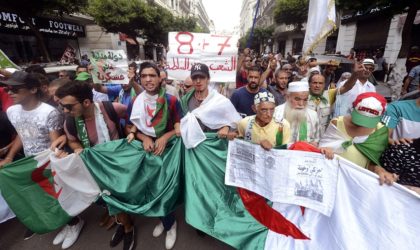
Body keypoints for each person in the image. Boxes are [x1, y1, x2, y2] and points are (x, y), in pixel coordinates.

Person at [0, 72, 86, 249]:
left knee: (58, 196)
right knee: (41, 197)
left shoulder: (49, 112)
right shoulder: (11, 111)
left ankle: (75, 222)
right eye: (8, 88)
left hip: (48, 162)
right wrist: (9, 156)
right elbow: (21, 134)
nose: (10, 92)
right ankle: (64, 223)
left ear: (33, 89)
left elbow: (55, 142)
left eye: (16, 89)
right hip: (28, 163)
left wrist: (56, 159)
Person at [54, 81, 133, 250]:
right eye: (63, 107)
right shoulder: (71, 122)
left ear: (87, 103)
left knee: (120, 196)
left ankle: (128, 228)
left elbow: (131, 118)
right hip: (94, 168)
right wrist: (78, 149)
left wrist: (130, 131)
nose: (66, 111)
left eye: (69, 106)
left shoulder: (112, 109)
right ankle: (124, 225)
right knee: (106, 198)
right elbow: (73, 141)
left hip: (118, 163)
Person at [126, 62, 180, 250]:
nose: (148, 79)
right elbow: (129, 127)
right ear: (140, 79)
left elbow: (179, 127)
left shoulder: (172, 101)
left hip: (167, 151)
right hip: (147, 151)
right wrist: (143, 136)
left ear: (159, 78)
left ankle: (170, 224)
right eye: (144, 76)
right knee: (150, 190)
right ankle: (164, 220)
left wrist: (164, 136)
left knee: (165, 190)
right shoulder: (135, 102)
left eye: (152, 75)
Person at [319, 92, 393, 185]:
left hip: (357, 181)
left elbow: (373, 160)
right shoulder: (337, 122)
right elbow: (322, 149)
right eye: (361, 117)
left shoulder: (380, 131)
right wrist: (324, 150)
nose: (362, 124)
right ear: (353, 109)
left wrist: (379, 170)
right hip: (331, 174)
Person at [180, 63, 241, 149]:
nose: (198, 81)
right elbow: (180, 124)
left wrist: (227, 127)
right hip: (192, 149)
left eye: (202, 77)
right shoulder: (185, 101)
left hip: (214, 148)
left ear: (208, 79)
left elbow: (235, 123)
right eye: (195, 78)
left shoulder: (220, 101)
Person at [273, 81, 320, 145]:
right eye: (297, 99)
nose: (301, 104)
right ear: (288, 97)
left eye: (305, 100)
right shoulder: (276, 113)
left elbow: (317, 139)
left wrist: (314, 144)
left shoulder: (313, 115)